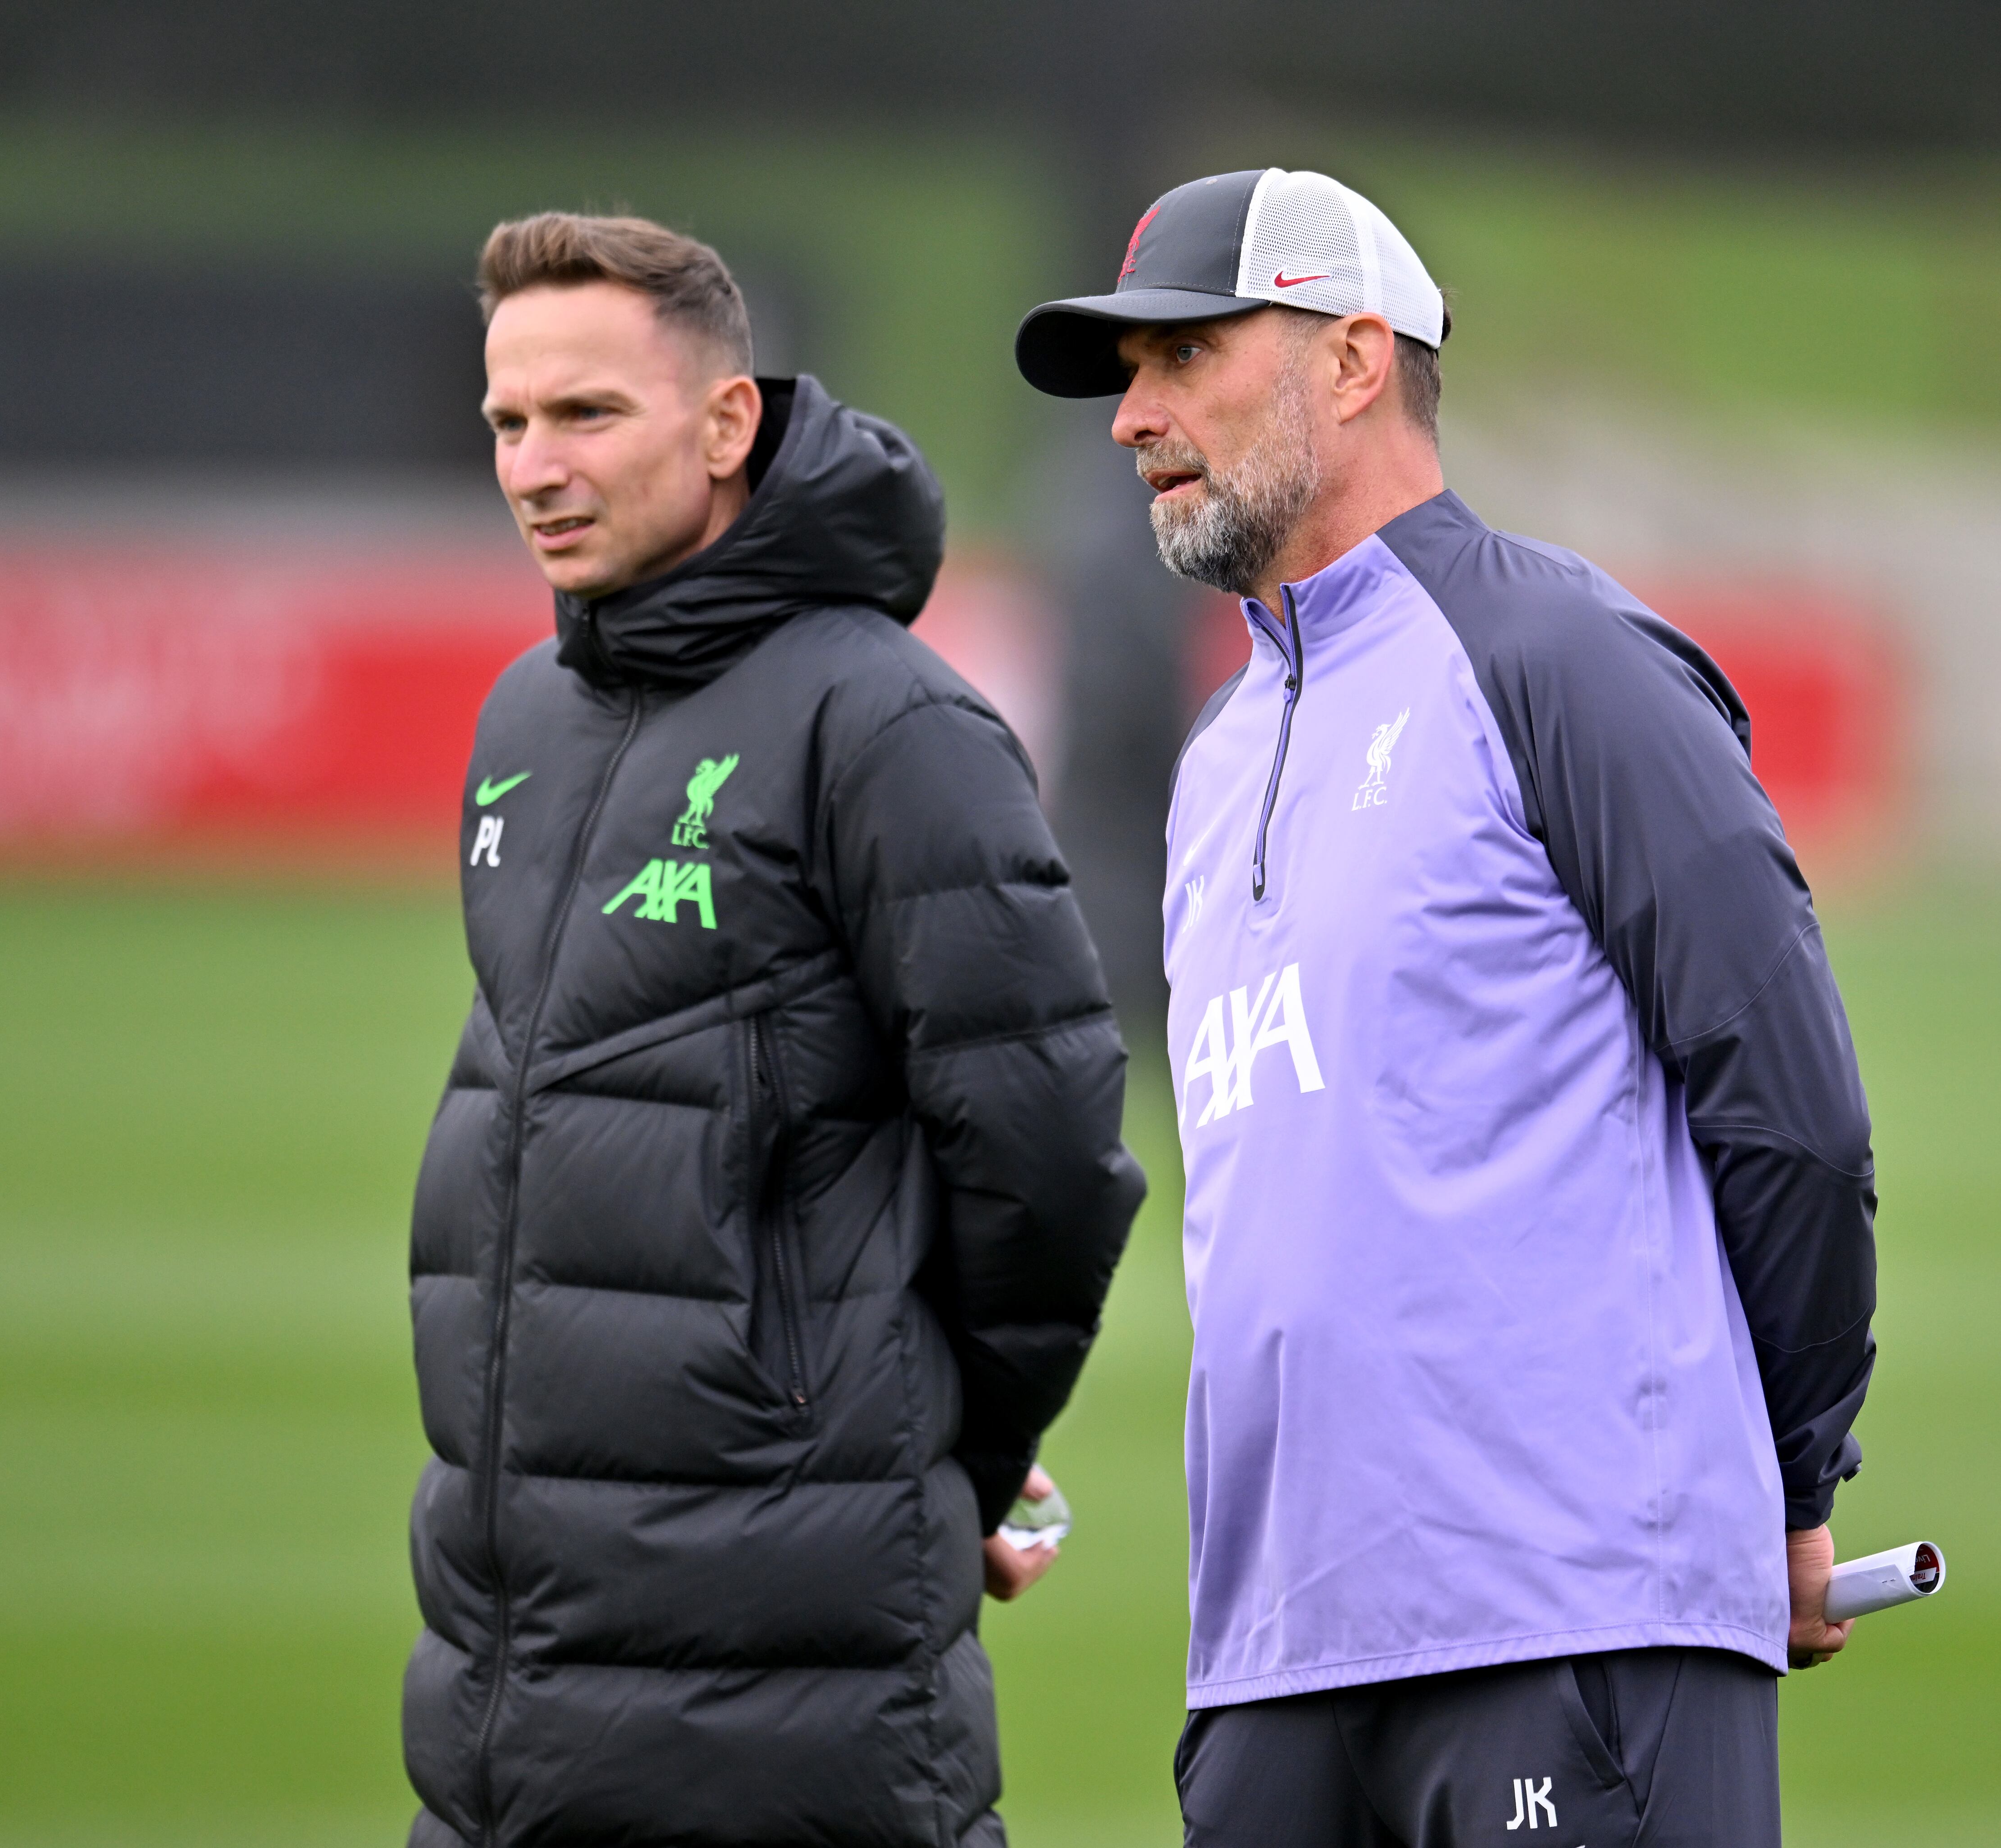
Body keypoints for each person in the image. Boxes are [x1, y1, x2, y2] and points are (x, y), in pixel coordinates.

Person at [1016, 169, 1877, 1846]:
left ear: (1350, 361)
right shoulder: (1213, 766)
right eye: (1125, 373)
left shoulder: (1562, 657)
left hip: (1573, 1629)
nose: (1132, 417)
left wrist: (1787, 1485)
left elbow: (1791, 1104)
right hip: (1272, 1653)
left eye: (1185, 355)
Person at [403, 211, 1144, 1848]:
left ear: (728, 422)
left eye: (589, 415)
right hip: (506, 1700)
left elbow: (1048, 1152)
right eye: (510, 423)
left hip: (787, 1709)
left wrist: (952, 1449)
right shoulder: (527, 713)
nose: (536, 467)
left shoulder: (890, 720)